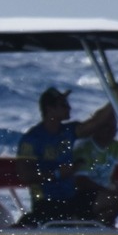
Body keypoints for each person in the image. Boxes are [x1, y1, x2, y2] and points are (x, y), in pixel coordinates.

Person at [16, 87, 87, 223]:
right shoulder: (32, 139)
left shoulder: (69, 131)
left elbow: (96, 124)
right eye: (63, 105)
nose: (69, 108)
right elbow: (25, 176)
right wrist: (57, 174)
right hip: (45, 202)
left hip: (70, 200)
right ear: (50, 109)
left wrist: (115, 98)